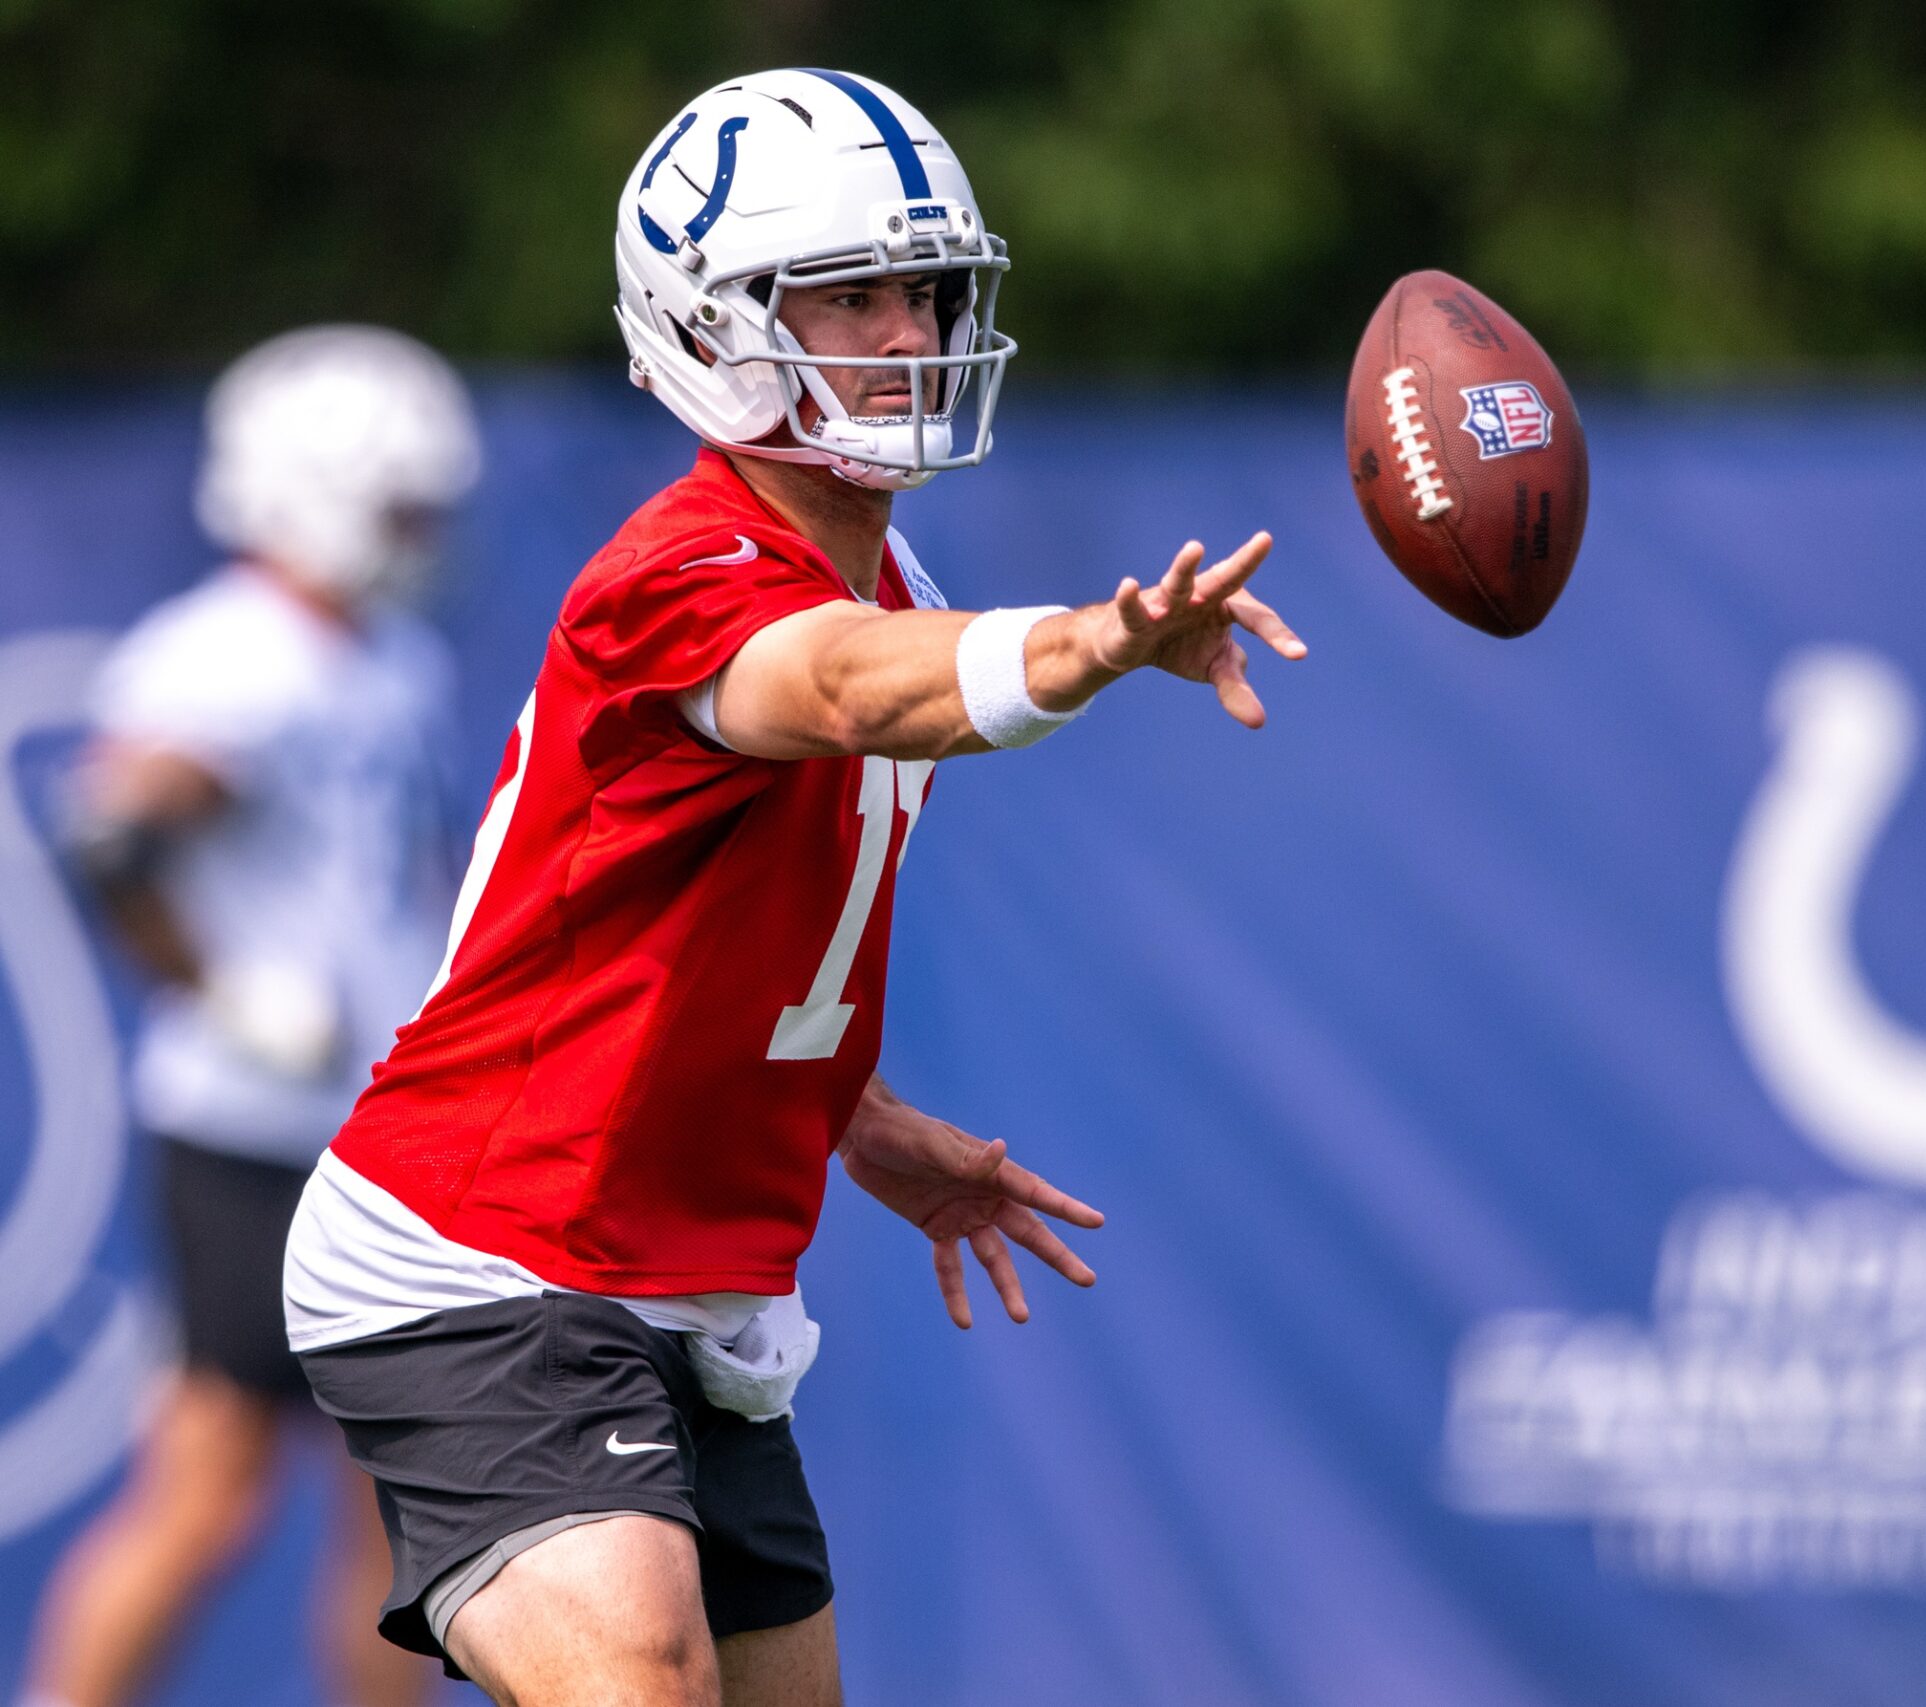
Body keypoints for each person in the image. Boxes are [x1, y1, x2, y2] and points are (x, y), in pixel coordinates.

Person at [276, 68, 1307, 1707]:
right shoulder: (678, 575)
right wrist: (1098, 641)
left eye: (923, 291)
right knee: (646, 1682)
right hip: (487, 1248)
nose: (907, 335)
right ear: (710, 326)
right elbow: (836, 688)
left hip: (688, 1274)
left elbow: (711, 949)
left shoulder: (891, 573)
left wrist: (866, 1124)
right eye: (850, 298)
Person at [19, 326, 480, 1707]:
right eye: (399, 502)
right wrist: (221, 990)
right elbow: (111, 839)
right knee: (212, 1490)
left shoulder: (394, 658)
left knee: (398, 1513)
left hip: (378, 1129)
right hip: (252, 1129)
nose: (418, 533)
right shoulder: (230, 654)